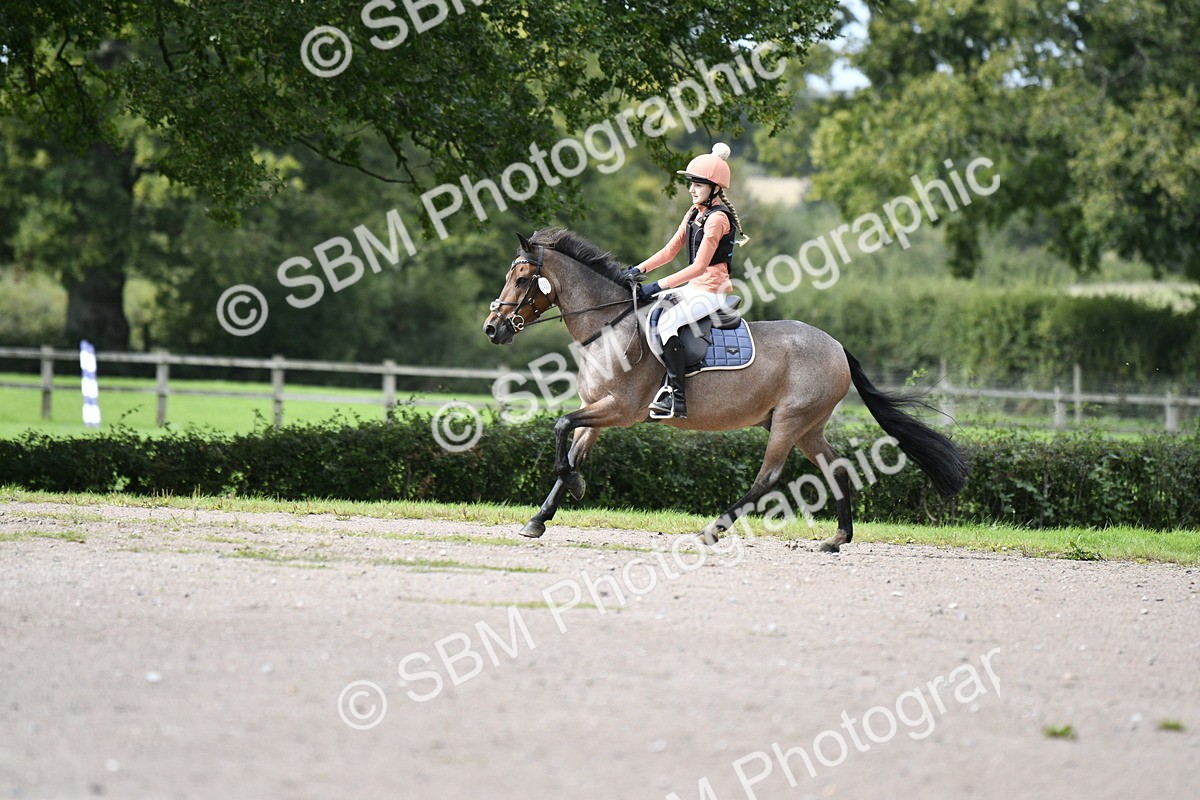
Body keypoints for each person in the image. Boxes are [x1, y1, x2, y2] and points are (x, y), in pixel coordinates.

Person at [622, 142, 749, 420]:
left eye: (698, 185)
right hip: (693, 289)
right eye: (690, 183)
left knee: (668, 322)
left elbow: (699, 267)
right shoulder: (694, 213)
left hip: (711, 291)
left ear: (715, 188)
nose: (691, 189)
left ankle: (675, 396)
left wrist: (657, 285)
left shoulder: (717, 220)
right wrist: (638, 269)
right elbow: (670, 251)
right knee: (644, 311)